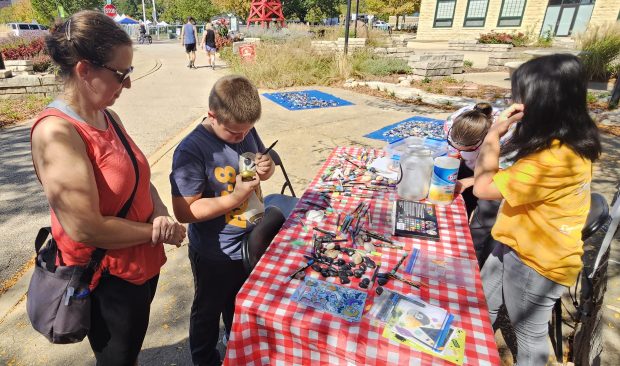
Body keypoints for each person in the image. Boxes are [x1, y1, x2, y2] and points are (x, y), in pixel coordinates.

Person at [30, 11, 186, 365]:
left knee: (128, 350)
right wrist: (154, 232)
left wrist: (160, 213)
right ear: (85, 70)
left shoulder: (106, 116)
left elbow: (137, 177)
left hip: (140, 267)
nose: (128, 83)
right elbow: (86, 228)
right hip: (107, 280)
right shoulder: (56, 134)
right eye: (121, 73)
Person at [473, 54, 601, 365]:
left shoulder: (554, 159)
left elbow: (484, 188)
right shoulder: (563, 137)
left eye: (521, 96)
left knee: (528, 333)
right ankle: (472, 351)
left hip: (537, 261)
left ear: (544, 102)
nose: (516, 101)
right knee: (482, 303)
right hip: (513, 241)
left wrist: (492, 135)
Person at [170, 75, 297, 366]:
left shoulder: (244, 130)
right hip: (216, 252)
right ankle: (204, 359)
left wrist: (266, 168)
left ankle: (235, 344)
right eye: (234, 133)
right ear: (212, 115)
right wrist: (233, 198)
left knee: (238, 302)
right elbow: (184, 211)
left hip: (251, 239)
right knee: (207, 310)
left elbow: (263, 164)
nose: (242, 139)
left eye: (247, 131)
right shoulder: (192, 150)